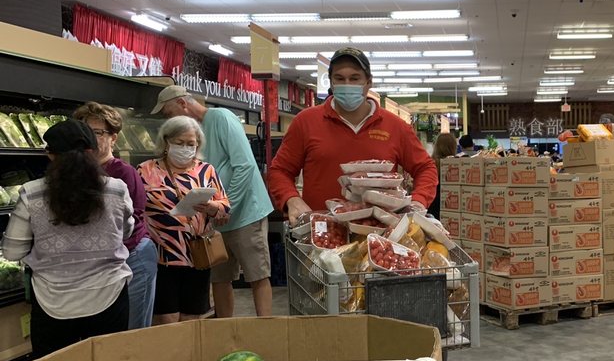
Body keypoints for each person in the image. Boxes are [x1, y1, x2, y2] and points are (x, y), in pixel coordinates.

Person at [1, 120, 133, 358]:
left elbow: (12, 252)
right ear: (93, 151)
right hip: (109, 294)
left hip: (53, 301)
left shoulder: (32, 193)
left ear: (50, 155)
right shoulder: (117, 189)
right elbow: (125, 232)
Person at [268, 47, 438, 226]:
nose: (347, 84)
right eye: (340, 78)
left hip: (380, 233)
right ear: (331, 82)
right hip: (321, 231)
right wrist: (292, 199)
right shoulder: (305, 122)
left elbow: (425, 168)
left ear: (369, 82)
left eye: (355, 78)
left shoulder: (396, 127)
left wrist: (418, 201)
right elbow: (280, 170)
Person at [150, 85, 273, 319]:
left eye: (169, 113)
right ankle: (223, 330)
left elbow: (245, 166)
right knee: (219, 276)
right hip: (213, 220)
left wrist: (227, 206)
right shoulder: (191, 133)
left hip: (245, 214)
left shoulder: (221, 118)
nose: (169, 120)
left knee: (257, 275)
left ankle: (266, 327)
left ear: (182, 104)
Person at [73, 102, 157, 330]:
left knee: (132, 329)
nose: (91, 139)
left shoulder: (123, 172)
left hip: (132, 257)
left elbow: (132, 219)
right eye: (86, 132)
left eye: (98, 132)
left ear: (114, 138)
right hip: (99, 262)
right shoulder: (75, 171)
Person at [139, 116, 230, 326]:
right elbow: (135, 207)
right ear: (166, 142)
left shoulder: (206, 170)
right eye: (179, 143)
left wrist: (213, 207)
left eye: (191, 144)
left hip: (198, 254)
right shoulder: (146, 170)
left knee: (192, 318)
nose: (186, 148)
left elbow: (225, 207)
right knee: (166, 318)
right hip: (162, 255)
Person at [428, 132, 458, 218]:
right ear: (453, 147)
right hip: (452, 207)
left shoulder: (430, 164)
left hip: (432, 206)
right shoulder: (457, 165)